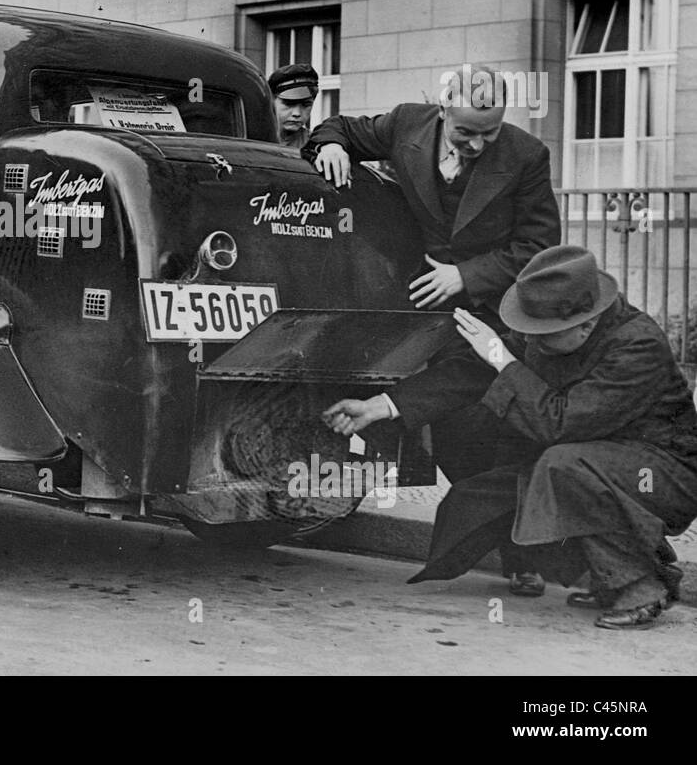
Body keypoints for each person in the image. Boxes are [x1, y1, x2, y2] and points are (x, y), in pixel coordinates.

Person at [322, 247, 697, 629]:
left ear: (587, 324)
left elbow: (561, 424)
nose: (534, 342)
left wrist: (504, 360)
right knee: (509, 490)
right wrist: (380, 406)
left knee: (559, 467)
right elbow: (470, 372)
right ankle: (613, 573)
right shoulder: (559, 328)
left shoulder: (638, 344)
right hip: (607, 462)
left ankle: (641, 585)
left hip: (666, 475)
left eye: (544, 336)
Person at [302, 94, 561, 593]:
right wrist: (330, 145)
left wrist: (466, 275)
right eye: (467, 132)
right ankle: (508, 545)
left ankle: (524, 557)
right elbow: (343, 125)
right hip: (430, 315)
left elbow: (540, 246)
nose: (480, 143)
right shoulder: (405, 124)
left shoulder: (526, 155)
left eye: (491, 132)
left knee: (502, 433)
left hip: (497, 316)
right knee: (455, 438)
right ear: (443, 112)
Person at [266, 63, 319, 148]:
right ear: (271, 101)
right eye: (289, 104)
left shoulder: (314, 144)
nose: (297, 113)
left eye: (306, 105)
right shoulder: (251, 137)